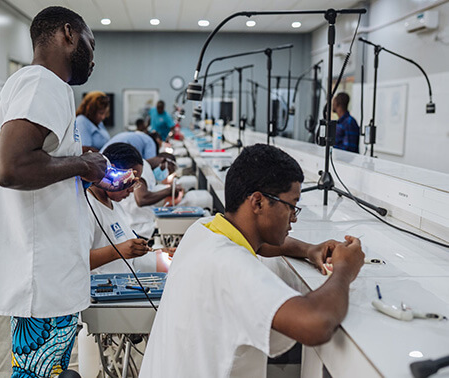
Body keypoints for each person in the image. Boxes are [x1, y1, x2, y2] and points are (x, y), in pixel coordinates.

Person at [0, 6, 111, 378]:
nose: (93, 60)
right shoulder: (45, 83)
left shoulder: (31, 83)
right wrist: (83, 165)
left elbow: (39, 159)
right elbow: (10, 167)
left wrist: (80, 160)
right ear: (68, 34)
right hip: (43, 279)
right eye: (91, 45)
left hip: (45, 274)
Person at [139, 144, 365, 378]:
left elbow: (260, 244)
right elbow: (316, 323)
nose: (294, 219)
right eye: (292, 207)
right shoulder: (231, 265)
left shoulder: (203, 229)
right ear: (257, 202)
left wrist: (309, 249)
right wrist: (345, 268)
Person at [87, 142, 155, 274]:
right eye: (130, 181)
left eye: (135, 183)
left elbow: (128, 251)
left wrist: (157, 254)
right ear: (113, 172)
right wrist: (115, 252)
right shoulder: (88, 207)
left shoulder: (115, 205)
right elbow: (77, 260)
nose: (131, 190)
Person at [120, 153, 183, 239]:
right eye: (168, 170)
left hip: (138, 224)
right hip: (137, 227)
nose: (166, 175)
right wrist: (169, 191)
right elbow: (142, 199)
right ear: (163, 161)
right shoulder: (143, 168)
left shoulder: (147, 170)